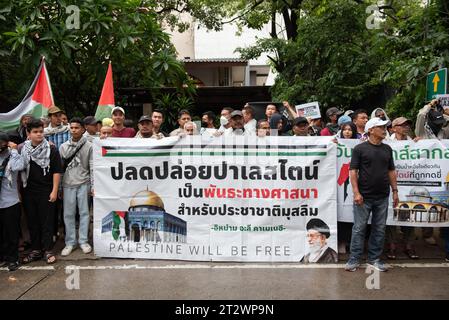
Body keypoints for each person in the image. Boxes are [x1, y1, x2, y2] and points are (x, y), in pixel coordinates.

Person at [345, 117, 399, 272]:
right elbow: (353, 172)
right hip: (364, 196)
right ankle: (354, 259)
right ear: (371, 130)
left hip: (383, 196)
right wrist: (356, 193)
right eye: (380, 127)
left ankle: (374, 259)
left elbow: (391, 171)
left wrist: (395, 191)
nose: (384, 130)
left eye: (384, 127)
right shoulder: (360, 149)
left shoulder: (387, 149)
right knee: (359, 228)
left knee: (380, 228)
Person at [21, 119, 62, 265]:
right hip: (28, 191)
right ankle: (36, 250)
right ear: (28, 133)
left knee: (47, 221)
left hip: (46, 190)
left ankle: (48, 250)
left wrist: (54, 191)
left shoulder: (52, 149)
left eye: (41, 131)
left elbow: (57, 171)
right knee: (32, 221)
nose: (39, 135)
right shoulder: (22, 149)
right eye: (35, 132)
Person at [385, 117, 419, 260]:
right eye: (402, 125)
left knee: (410, 214)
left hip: (409, 185)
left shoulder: (414, 144)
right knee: (392, 215)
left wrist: (420, 144)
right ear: (394, 128)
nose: (406, 127)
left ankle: (408, 246)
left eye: (407, 125)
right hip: (391, 184)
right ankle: (391, 246)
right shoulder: (387, 143)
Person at [59, 118, 93, 256]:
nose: (74, 130)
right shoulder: (63, 147)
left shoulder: (89, 145)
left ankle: (83, 241)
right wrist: (60, 187)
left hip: (84, 183)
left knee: (84, 213)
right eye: (72, 128)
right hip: (67, 184)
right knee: (68, 214)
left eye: (77, 127)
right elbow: (59, 169)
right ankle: (70, 242)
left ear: (83, 129)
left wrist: (93, 185)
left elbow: (92, 167)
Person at [0, 132, 26, 271]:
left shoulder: (12, 155)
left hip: (10, 201)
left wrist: (15, 150)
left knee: (12, 233)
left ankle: (13, 259)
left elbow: (19, 166)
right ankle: (2, 257)